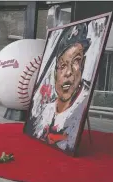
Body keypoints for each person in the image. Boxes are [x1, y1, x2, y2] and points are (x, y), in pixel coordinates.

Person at [27, 23, 92, 152]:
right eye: (62, 66)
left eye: (76, 62)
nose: (68, 72)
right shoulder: (45, 111)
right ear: (55, 71)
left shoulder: (80, 106)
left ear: (83, 64)